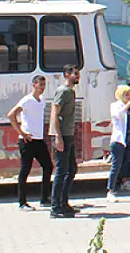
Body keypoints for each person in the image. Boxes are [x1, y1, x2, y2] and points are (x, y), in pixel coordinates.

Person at [8, 74, 51, 210]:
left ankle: (44, 198)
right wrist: (21, 132)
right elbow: (11, 115)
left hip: (39, 140)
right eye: (40, 85)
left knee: (48, 166)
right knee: (25, 170)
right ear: (34, 85)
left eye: (44, 85)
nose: (42, 88)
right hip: (27, 140)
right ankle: (22, 202)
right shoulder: (27, 100)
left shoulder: (42, 100)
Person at [49, 65, 80, 219]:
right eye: (75, 74)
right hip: (63, 135)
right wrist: (58, 136)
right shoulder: (63, 91)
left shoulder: (71, 92)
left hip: (69, 134)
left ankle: (63, 202)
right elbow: (55, 112)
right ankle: (55, 207)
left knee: (72, 169)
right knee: (61, 171)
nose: (77, 76)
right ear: (66, 75)